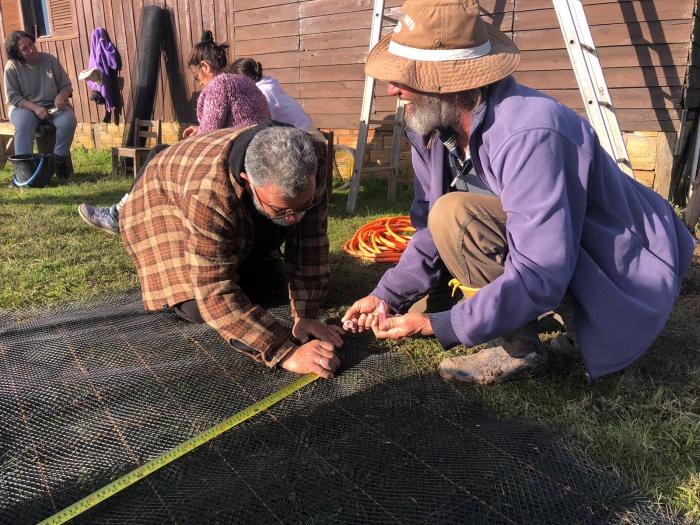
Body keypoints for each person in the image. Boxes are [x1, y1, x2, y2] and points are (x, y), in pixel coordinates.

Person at [342, 0, 695, 385]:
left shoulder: (529, 132)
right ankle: (550, 315)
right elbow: (429, 232)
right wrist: (386, 296)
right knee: (444, 225)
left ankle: (523, 345)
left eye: (405, 77)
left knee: (453, 215)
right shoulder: (427, 127)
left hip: (622, 260)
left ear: (447, 81)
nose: (392, 88)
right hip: (559, 250)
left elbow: (542, 269)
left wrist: (439, 325)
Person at [120, 121, 343, 377]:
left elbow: (311, 239)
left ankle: (252, 250)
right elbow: (213, 287)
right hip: (159, 206)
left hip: (223, 200)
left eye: (304, 205)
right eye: (282, 210)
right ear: (248, 182)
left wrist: (306, 314)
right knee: (197, 307)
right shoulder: (207, 194)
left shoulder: (312, 158)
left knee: (273, 286)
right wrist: (284, 351)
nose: (295, 219)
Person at [78, 32, 270, 234]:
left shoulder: (219, 84)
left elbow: (209, 137)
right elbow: (235, 122)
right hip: (251, 153)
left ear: (205, 66)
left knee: (158, 153)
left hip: (231, 160)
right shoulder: (245, 83)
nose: (200, 83)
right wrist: (200, 127)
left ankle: (119, 214)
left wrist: (195, 136)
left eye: (197, 78)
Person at [3, 31, 77, 179]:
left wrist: (61, 97)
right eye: (25, 48)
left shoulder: (50, 60)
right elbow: (12, 97)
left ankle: (59, 160)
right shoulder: (12, 66)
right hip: (23, 107)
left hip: (52, 105)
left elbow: (66, 86)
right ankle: (23, 170)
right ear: (17, 53)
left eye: (31, 44)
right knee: (24, 124)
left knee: (68, 120)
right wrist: (35, 108)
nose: (31, 49)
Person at [230, 58, 319, 135]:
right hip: (304, 131)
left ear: (243, 79)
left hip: (305, 139)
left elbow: (264, 125)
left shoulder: (263, 92)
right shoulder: (268, 84)